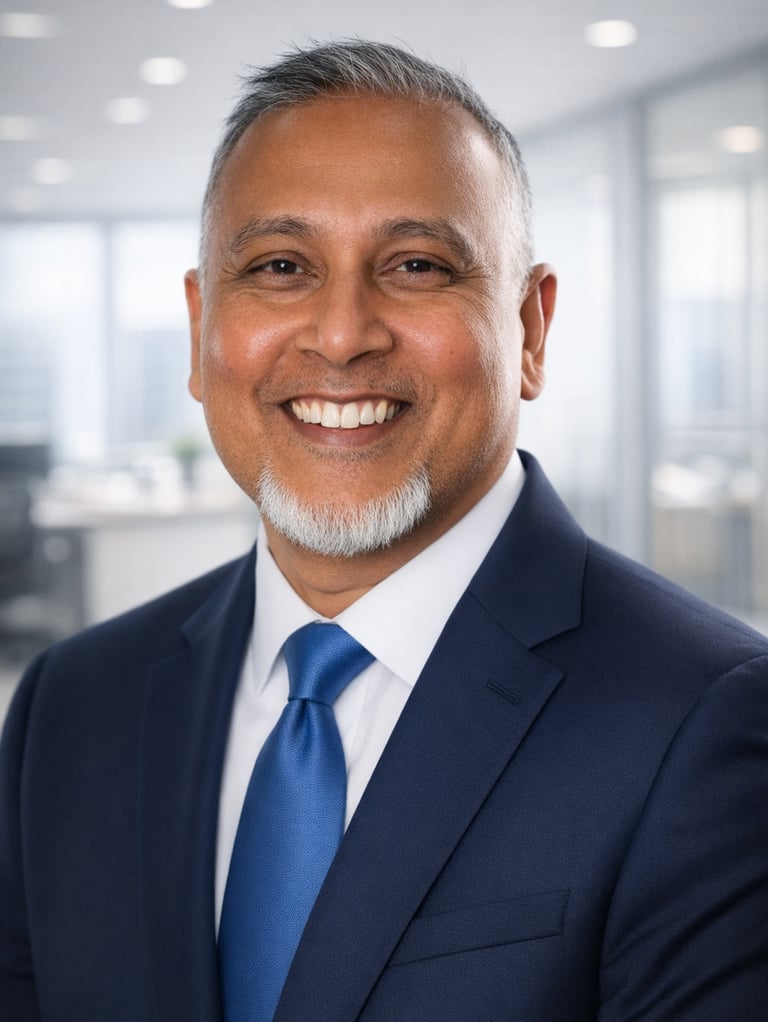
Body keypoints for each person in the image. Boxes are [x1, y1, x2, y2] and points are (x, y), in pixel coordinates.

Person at [1, 39, 766, 1022]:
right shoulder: (71, 706)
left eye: (415, 264)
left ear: (530, 330)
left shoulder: (703, 718)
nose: (342, 331)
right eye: (281, 265)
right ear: (200, 332)